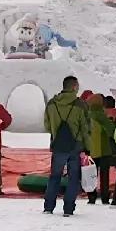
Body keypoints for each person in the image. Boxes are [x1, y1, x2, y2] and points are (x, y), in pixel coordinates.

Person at [41, 76, 86, 217]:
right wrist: (87, 147)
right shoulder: (81, 105)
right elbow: (86, 128)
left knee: (54, 176)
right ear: (74, 87)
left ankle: (48, 207)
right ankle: (68, 209)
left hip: (58, 145)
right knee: (73, 178)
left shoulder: (52, 104)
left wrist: (56, 133)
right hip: (75, 146)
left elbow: (47, 125)